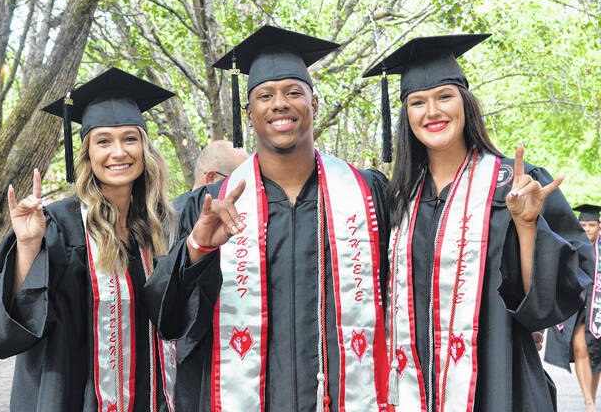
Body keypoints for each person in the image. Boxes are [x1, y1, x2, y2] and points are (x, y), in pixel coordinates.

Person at [144, 25, 391, 411]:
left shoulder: (368, 194)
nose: (280, 104)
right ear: (249, 113)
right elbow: (166, 318)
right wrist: (197, 249)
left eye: (294, 92)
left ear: (315, 105)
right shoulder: (208, 206)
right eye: (265, 95)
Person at [362, 34, 593, 411]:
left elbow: (550, 303)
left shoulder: (514, 186)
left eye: (445, 97)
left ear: (466, 104)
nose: (432, 111)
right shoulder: (398, 201)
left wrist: (528, 226)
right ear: (406, 115)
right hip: (411, 392)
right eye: (418, 102)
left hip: (501, 385)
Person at [0, 67, 178, 411]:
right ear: (86, 154)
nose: (119, 152)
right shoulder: (58, 225)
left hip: (149, 396)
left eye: (130, 138)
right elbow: (11, 326)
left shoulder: (158, 227)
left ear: (145, 148)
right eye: (103, 141)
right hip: (72, 397)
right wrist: (27, 245)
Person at [546, 204, 601, 412]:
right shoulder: (572, 244)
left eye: (591, 225)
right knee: (581, 349)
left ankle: (591, 397)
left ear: (599, 226)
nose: (587, 229)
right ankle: (588, 401)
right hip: (576, 305)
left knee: (595, 353)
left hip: (596, 305)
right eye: (583, 224)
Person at [172, 140, 249, 215]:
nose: (242, 191)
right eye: (237, 183)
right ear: (212, 179)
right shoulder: (181, 219)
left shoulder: (174, 210)